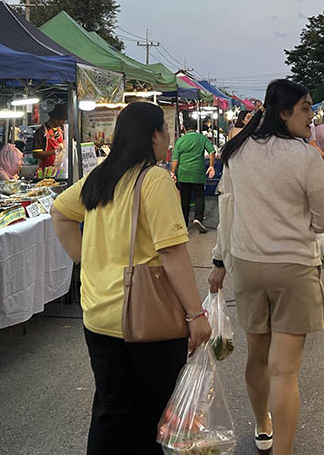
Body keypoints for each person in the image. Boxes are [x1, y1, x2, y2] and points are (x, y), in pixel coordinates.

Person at [50, 102, 211, 455]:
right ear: (154, 135)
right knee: (150, 416)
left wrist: (85, 259)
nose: (169, 140)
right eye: (167, 132)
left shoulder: (101, 176)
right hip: (145, 320)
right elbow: (172, 254)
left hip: (98, 317)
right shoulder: (154, 180)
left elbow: (59, 212)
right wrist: (196, 315)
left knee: (111, 408)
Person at [208, 79, 324, 455]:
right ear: (284, 113)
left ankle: (262, 424)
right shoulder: (306, 157)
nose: (312, 117)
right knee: (285, 371)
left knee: (257, 356)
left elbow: (226, 212)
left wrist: (219, 260)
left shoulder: (237, 151)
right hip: (294, 268)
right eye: (306, 108)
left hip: (248, 266)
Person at [170, 117, 216, 233]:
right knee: (199, 196)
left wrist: (172, 172)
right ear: (196, 127)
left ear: (184, 128)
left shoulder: (180, 141)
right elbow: (212, 151)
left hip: (183, 173)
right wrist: (211, 166)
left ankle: (184, 223)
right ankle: (198, 219)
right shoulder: (202, 138)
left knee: (184, 198)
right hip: (198, 173)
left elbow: (175, 159)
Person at [32, 103, 68, 172]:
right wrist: (55, 151)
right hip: (46, 171)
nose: (62, 123)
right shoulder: (41, 131)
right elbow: (36, 154)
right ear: (54, 118)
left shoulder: (61, 130)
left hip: (60, 171)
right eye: (61, 120)